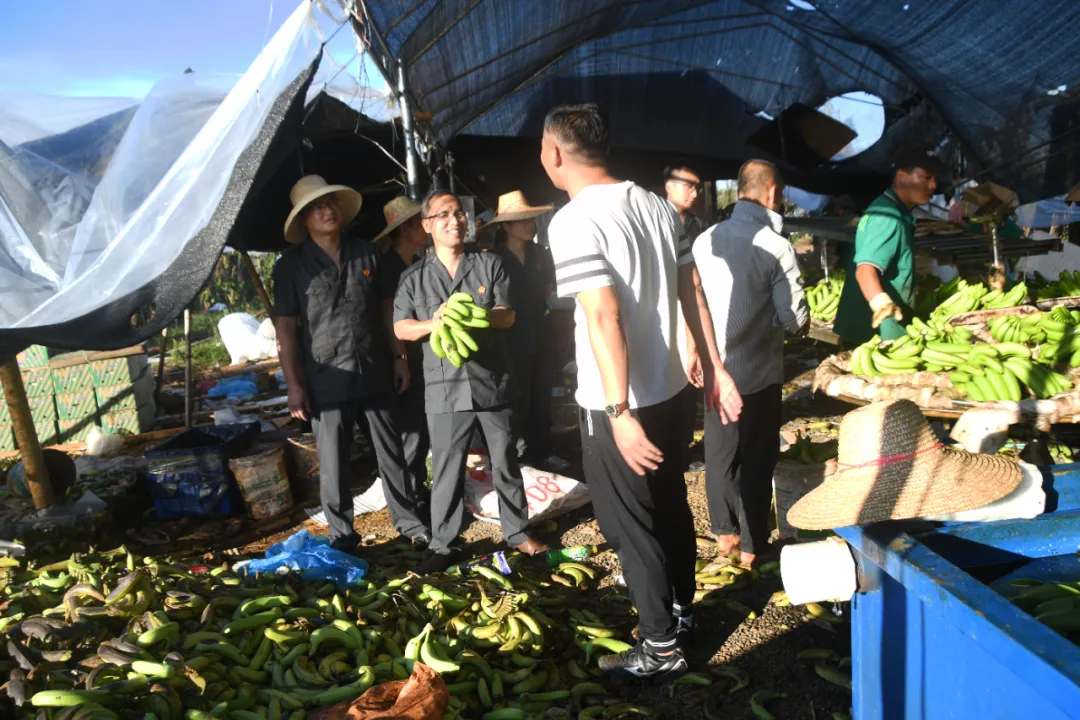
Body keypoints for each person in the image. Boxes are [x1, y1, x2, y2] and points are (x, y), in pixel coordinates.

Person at [541, 103, 742, 678]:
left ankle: (660, 648)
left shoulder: (573, 220)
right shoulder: (655, 204)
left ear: (554, 153)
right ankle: (682, 615)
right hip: (673, 391)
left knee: (632, 523)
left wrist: (617, 410)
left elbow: (604, 317)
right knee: (672, 504)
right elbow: (692, 290)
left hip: (621, 404)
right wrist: (716, 367)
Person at [393, 189, 550, 574]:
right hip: (443, 387)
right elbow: (401, 326)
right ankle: (444, 542)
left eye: (459, 213)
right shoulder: (413, 278)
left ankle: (517, 532)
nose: (455, 220)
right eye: (444, 215)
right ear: (428, 225)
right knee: (447, 467)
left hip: (492, 381)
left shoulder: (489, 264)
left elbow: (506, 314)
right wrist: (436, 322)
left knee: (506, 460)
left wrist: (472, 315)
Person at [273, 175, 431, 552]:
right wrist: (294, 384)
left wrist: (399, 357)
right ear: (304, 220)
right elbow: (286, 330)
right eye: (316, 208)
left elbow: (384, 311)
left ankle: (409, 524)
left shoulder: (366, 253)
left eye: (330, 203)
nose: (326, 211)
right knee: (333, 462)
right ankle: (342, 533)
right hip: (325, 379)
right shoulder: (290, 266)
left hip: (375, 369)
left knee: (391, 451)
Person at [692, 160, 809, 567]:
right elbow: (795, 320)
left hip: (713, 371)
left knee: (721, 455)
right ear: (773, 192)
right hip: (758, 373)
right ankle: (752, 547)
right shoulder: (777, 246)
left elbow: (689, 302)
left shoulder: (703, 240)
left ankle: (725, 534)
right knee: (758, 459)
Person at [481, 191, 569, 473]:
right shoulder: (492, 259)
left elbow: (547, 292)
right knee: (516, 398)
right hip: (509, 338)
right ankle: (518, 457)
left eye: (530, 219)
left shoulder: (539, 254)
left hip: (540, 333)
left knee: (542, 394)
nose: (529, 225)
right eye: (522, 221)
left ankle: (543, 451)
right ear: (506, 226)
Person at [833, 149, 945, 346]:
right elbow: (865, 271)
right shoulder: (888, 218)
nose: (933, 185)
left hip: (868, 330)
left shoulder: (890, 210)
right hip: (873, 336)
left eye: (935, 178)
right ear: (901, 175)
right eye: (926, 177)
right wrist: (882, 305)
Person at [375, 196, 431, 517]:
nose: (426, 228)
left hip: (416, 358)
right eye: (420, 222)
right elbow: (387, 314)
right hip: (404, 360)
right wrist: (401, 358)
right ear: (407, 228)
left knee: (419, 429)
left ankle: (417, 492)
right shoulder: (391, 268)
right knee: (410, 429)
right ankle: (412, 501)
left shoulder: (414, 263)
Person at [663, 160, 708, 469]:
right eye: (688, 184)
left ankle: (682, 445)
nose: (694, 192)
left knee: (690, 379)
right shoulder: (652, 221)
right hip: (660, 310)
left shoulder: (698, 227)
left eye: (698, 186)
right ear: (669, 185)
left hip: (690, 307)